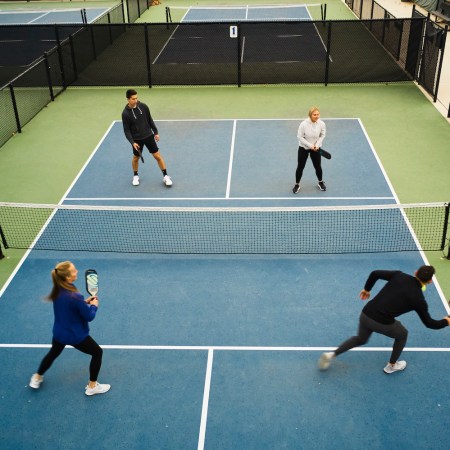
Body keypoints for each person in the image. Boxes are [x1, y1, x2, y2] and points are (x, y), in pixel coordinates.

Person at [318, 265, 450, 374]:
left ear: (415, 272)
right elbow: (430, 324)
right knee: (402, 334)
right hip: (382, 323)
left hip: (366, 314)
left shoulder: (399, 275)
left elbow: (375, 273)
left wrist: (367, 289)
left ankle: (331, 355)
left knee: (361, 339)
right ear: (430, 281)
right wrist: (446, 321)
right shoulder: (419, 300)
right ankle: (391, 366)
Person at [29, 261, 110, 396]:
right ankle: (92, 386)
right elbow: (89, 316)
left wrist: (84, 303)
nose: (77, 271)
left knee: (53, 353)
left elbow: (69, 306)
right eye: (74, 271)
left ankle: (37, 377)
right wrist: (94, 305)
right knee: (97, 353)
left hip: (59, 333)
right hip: (75, 335)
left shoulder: (58, 289)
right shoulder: (75, 296)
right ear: (67, 277)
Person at [122, 88, 173, 187]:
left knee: (157, 156)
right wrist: (132, 142)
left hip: (148, 136)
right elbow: (126, 130)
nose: (135, 100)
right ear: (128, 99)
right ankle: (135, 175)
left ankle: (166, 176)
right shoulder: (125, 114)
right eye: (133, 99)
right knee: (136, 158)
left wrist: (156, 132)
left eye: (136, 98)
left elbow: (150, 120)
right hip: (137, 140)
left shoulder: (143, 106)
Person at [293, 106, 326, 194]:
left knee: (318, 166)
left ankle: (320, 182)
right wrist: (310, 145)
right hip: (303, 148)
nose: (317, 116)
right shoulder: (303, 124)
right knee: (300, 167)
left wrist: (317, 145)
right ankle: (297, 184)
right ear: (310, 115)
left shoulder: (322, 124)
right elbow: (299, 137)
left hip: (316, 148)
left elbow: (322, 135)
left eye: (318, 114)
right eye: (314, 114)